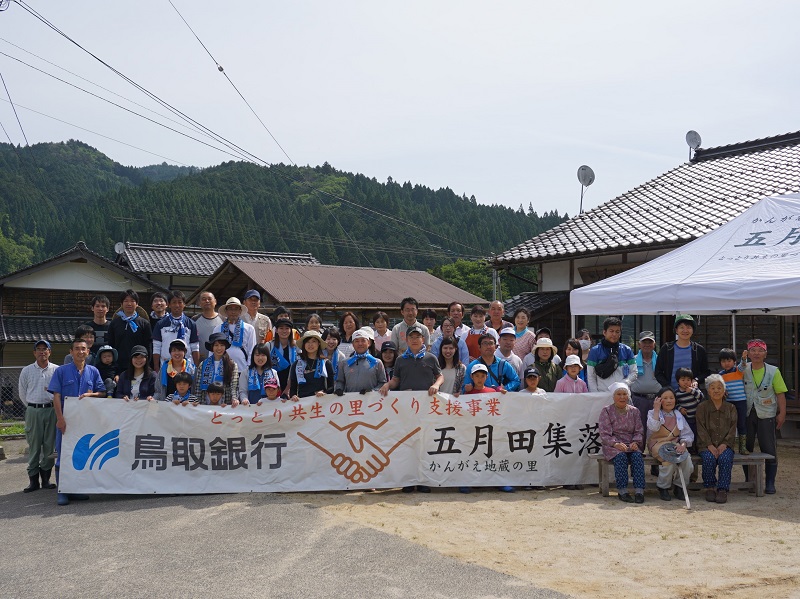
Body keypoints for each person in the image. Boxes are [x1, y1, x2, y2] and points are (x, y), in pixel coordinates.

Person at [380, 324, 443, 493]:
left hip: (426, 408)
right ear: (406, 340)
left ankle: (423, 480)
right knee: (407, 444)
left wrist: (436, 385)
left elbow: (440, 376)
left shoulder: (430, 358)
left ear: (423, 339)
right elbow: (396, 380)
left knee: (424, 443)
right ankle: (408, 480)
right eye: (411, 337)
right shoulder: (400, 360)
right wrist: (388, 385)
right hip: (406, 410)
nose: (415, 340)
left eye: (418, 337)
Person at [48, 338, 106, 506]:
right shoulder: (61, 371)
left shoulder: (93, 371)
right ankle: (63, 491)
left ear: (88, 352)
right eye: (77, 349)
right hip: (66, 421)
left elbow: (102, 392)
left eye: (84, 349)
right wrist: (60, 419)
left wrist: (91, 395)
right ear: (71, 352)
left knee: (79, 455)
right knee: (63, 455)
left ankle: (75, 489)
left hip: (85, 423)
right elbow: (56, 396)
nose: (81, 352)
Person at [741, 339, 787, 494]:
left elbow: (780, 394)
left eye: (760, 350)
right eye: (753, 350)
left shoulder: (774, 371)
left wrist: (782, 413)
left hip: (767, 413)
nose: (756, 353)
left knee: (769, 448)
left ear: (765, 354)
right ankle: (749, 481)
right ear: (748, 353)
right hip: (747, 412)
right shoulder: (743, 369)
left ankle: (769, 483)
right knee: (745, 447)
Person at [18, 340, 58, 493]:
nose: (42, 352)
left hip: (51, 410)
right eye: (39, 349)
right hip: (33, 410)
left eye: (45, 349)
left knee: (49, 445)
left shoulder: (56, 370)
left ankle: (46, 480)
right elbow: (22, 393)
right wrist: (31, 407)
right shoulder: (27, 370)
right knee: (34, 445)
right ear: (34, 353)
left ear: (50, 352)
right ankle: (33, 481)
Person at [599, 382, 645, 504]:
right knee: (620, 457)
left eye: (625, 394)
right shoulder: (607, 411)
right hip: (613, 445)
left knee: (637, 457)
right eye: (618, 394)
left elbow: (639, 430)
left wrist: (636, 442)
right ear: (613, 397)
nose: (622, 397)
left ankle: (639, 491)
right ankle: (622, 490)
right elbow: (604, 433)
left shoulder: (634, 411)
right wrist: (615, 444)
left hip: (631, 444)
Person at [695, 374, 737, 503]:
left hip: (726, 445)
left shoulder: (731, 408)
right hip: (706, 445)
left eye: (719, 388)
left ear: (724, 390)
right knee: (708, 458)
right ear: (708, 391)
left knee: (725, 458)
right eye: (712, 388)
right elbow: (700, 428)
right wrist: (709, 445)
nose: (716, 391)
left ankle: (722, 490)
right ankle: (710, 487)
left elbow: (732, 428)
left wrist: (725, 444)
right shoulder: (702, 407)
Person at [646, 386, 693, 501]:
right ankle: (663, 487)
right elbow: (653, 427)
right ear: (659, 400)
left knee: (687, 460)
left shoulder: (678, 415)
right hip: (657, 443)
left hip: (674, 444)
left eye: (671, 398)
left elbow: (687, 433)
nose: (668, 401)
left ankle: (679, 486)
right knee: (668, 459)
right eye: (665, 398)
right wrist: (657, 410)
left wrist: (683, 445)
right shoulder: (653, 413)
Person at [654, 313, 710, 392]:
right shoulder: (667, 348)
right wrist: (667, 387)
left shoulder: (699, 350)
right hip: (671, 395)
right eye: (681, 327)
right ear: (676, 330)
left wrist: (696, 380)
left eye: (688, 327)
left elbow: (706, 372)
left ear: (693, 330)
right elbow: (658, 372)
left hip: (691, 394)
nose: (685, 330)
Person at [107, 289, 152, 376]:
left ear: (137, 304)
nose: (129, 304)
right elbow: (111, 345)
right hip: (119, 366)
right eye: (126, 301)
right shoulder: (114, 323)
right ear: (121, 304)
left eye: (132, 301)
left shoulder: (144, 323)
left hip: (139, 365)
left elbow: (148, 345)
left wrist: (146, 364)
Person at [586, 317, 637, 393]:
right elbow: (591, 377)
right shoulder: (595, 351)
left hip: (622, 395)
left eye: (617, 331)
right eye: (611, 331)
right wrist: (595, 395)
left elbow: (634, 372)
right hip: (602, 395)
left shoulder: (627, 350)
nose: (614, 334)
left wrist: (622, 385)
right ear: (604, 332)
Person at [152, 290, 200, 369]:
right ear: (169, 305)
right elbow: (156, 347)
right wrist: (156, 368)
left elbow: (195, 347)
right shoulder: (160, 324)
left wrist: (196, 367)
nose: (177, 305)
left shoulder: (191, 324)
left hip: (186, 366)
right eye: (174, 302)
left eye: (180, 302)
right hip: (166, 366)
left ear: (184, 304)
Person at [194, 332, 243, 406]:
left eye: (222, 345)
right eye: (216, 345)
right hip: (205, 403)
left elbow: (234, 385)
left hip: (224, 403)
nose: (219, 348)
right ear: (212, 347)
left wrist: (234, 399)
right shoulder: (203, 364)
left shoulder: (232, 365)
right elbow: (198, 386)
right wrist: (197, 401)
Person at [335, 329, 386, 395]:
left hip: (371, 402)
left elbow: (383, 383)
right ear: (353, 344)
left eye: (363, 341)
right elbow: (340, 381)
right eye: (356, 341)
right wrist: (339, 389)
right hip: (350, 402)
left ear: (368, 343)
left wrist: (372, 391)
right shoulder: (344, 363)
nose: (360, 344)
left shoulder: (377, 362)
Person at [215, 297, 257, 377]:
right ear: (226, 311)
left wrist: (249, 367)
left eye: (236, 309)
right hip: (222, 369)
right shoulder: (218, 329)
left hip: (242, 369)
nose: (233, 312)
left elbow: (252, 350)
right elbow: (212, 350)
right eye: (230, 309)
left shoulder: (249, 328)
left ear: (240, 311)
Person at [630, 331, 661, 436]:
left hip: (657, 399)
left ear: (654, 344)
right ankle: (639, 451)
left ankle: (653, 451)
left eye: (650, 342)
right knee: (638, 428)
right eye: (644, 342)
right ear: (639, 344)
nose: (647, 345)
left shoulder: (661, 360)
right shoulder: (632, 361)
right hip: (638, 399)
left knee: (656, 428)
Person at [289, 330, 334, 400]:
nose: (310, 344)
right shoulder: (297, 364)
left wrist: (324, 392)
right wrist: (293, 396)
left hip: (321, 404)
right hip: (302, 404)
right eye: (307, 342)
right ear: (304, 344)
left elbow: (331, 386)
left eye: (313, 341)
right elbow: (293, 387)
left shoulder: (326, 363)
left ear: (319, 343)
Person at [718, 348, 748, 454]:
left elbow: (743, 365)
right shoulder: (720, 375)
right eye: (723, 361)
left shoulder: (738, 370)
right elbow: (719, 387)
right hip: (728, 403)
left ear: (734, 361)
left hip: (741, 401)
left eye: (729, 361)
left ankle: (742, 447)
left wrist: (744, 358)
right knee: (728, 425)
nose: (726, 363)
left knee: (741, 424)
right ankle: (728, 447)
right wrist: (722, 392)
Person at [193, 291, 223, 361]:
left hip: (220, 360)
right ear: (199, 303)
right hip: (200, 361)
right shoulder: (194, 320)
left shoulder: (223, 319)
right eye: (203, 299)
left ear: (215, 301)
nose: (207, 301)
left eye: (209, 299)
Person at [269, 320, 296, 394]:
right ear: (276, 330)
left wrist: (288, 388)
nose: (284, 331)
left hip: (292, 382)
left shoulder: (297, 347)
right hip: (273, 384)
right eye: (281, 328)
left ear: (291, 330)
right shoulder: (269, 346)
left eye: (287, 328)